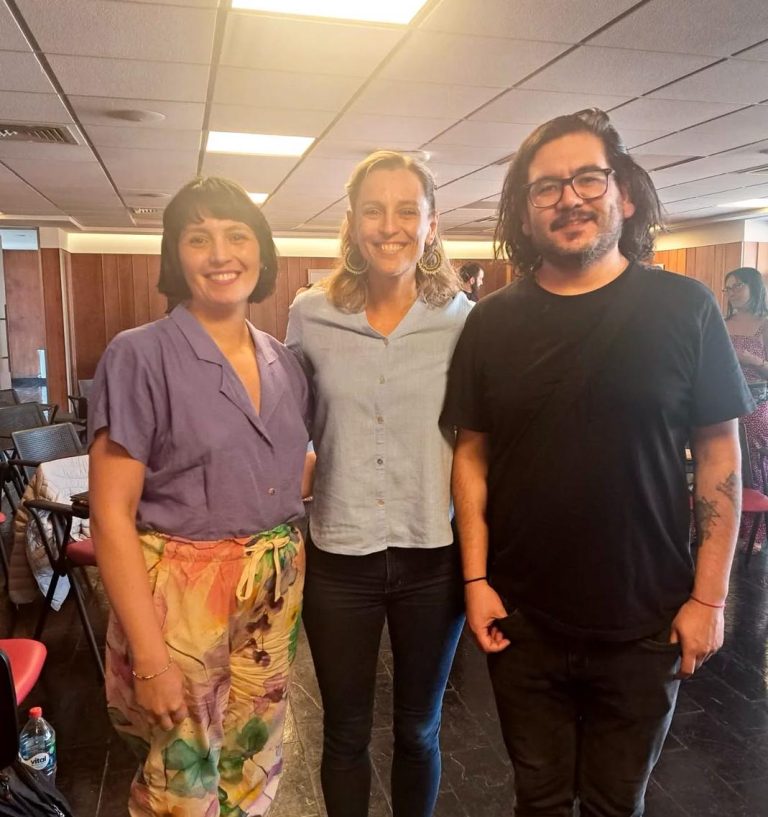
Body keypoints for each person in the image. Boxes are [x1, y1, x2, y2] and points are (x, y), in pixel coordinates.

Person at [442, 109, 753, 817]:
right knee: (539, 801)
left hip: (647, 619)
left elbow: (719, 452)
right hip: (523, 620)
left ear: (625, 194)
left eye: (588, 178)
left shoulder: (685, 309)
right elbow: (471, 456)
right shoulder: (491, 322)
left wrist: (710, 598)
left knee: (618, 805)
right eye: (546, 188)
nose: (569, 199)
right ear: (525, 213)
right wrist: (476, 580)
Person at [88, 177, 311, 817]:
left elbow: (281, 471)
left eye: (237, 235)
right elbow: (110, 514)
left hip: (273, 588)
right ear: (175, 255)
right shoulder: (139, 354)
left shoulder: (285, 362)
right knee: (180, 780)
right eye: (198, 238)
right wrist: (150, 660)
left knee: (254, 763)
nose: (220, 254)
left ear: (262, 252)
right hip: (181, 598)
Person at [286, 150, 472, 817]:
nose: (389, 226)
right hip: (340, 557)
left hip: (433, 557)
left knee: (419, 730)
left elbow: (479, 441)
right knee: (344, 733)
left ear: (431, 224)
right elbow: (291, 423)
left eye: (406, 211)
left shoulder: (463, 320)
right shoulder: (309, 313)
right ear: (352, 222)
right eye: (373, 210)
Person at [724, 265, 768, 551]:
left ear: (754, 287)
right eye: (728, 288)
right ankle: (720, 527)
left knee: (752, 461)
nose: (731, 292)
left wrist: (752, 361)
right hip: (724, 400)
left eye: (737, 286)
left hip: (756, 402)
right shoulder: (721, 322)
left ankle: (753, 532)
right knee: (721, 462)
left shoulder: (764, 323)